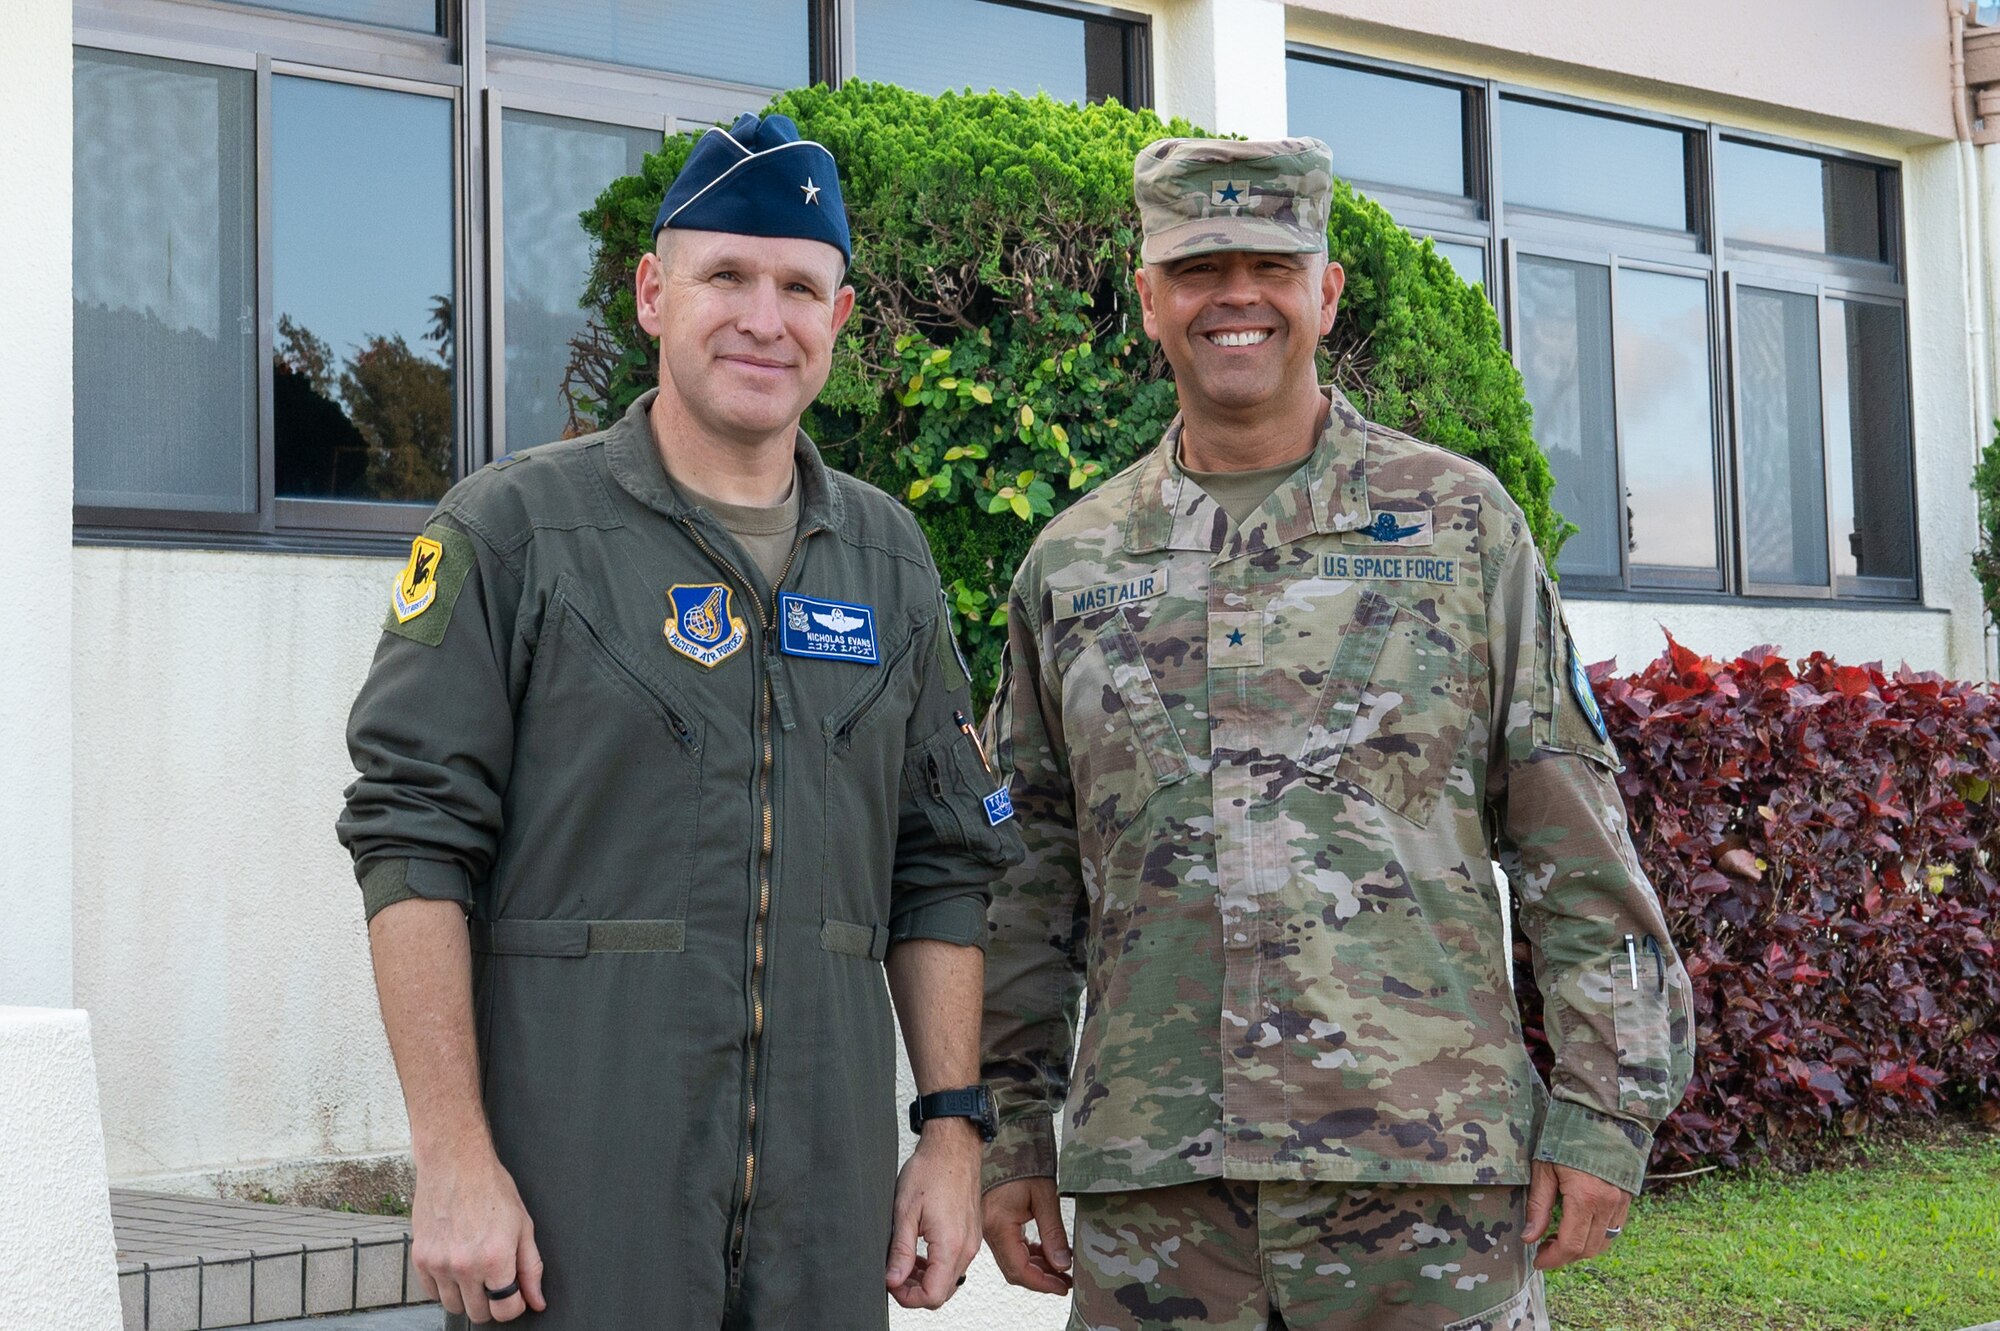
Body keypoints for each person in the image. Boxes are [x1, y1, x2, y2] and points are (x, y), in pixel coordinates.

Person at [977, 135, 1696, 1331]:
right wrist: (1007, 1132)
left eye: (1270, 261)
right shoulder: (1072, 562)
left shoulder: (1460, 528)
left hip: (1423, 1184)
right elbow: (1028, 879)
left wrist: (1603, 1110)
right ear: (1149, 299)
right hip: (1161, 1202)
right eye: (1199, 269)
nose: (1236, 295)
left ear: (1326, 289)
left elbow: (1574, 839)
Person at [338, 112, 1021, 1331]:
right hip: (575, 1204)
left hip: (825, 1212)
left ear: (839, 321)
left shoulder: (886, 559)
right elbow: (411, 842)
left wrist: (953, 1133)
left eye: (800, 288)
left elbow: (943, 869)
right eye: (727, 276)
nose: (765, 317)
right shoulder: (513, 534)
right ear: (655, 294)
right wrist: (450, 1155)